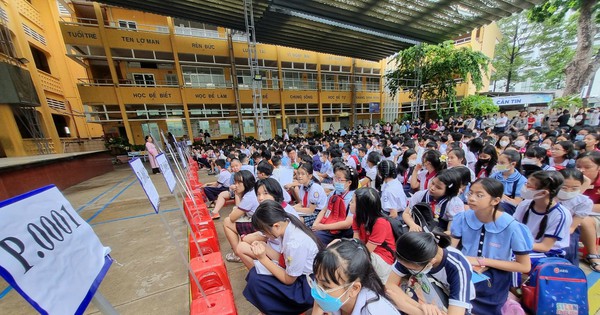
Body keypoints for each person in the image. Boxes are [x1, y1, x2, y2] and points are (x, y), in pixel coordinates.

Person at [451, 178, 533, 314]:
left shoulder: (512, 226)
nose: (471, 198)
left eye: (479, 195)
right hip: (465, 267)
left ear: (495, 200)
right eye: (470, 193)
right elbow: (452, 249)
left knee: (469, 299)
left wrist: (481, 261)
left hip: (496, 273)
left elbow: (524, 266)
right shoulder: (463, 218)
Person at [243, 200, 322, 315]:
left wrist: (262, 258)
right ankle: (268, 310)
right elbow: (284, 260)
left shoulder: (295, 243)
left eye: (264, 232)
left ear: (276, 226)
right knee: (255, 274)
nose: (264, 235)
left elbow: (288, 280)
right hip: (301, 277)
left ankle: (275, 310)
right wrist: (264, 247)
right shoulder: (288, 224)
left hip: (307, 287)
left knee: (257, 281)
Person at [385, 231, 474, 315]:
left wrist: (404, 306)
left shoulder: (458, 267)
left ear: (431, 262)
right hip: (427, 296)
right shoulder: (409, 252)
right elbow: (390, 285)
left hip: (453, 303)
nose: (404, 267)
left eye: (410, 268)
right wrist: (420, 306)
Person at [310, 238, 400, 315]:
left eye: (325, 286)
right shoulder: (339, 297)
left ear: (354, 288)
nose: (316, 290)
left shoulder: (373, 311)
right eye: (316, 280)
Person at [513, 171, 572, 264]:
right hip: (524, 246)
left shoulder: (561, 214)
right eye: (526, 184)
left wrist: (516, 244)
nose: (524, 188)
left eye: (529, 186)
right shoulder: (525, 204)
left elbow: (545, 247)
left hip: (549, 253)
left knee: (512, 258)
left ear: (543, 192)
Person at [351, 187, 397, 283]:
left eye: (352, 202)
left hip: (382, 257)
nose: (349, 203)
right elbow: (356, 240)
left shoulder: (380, 223)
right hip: (366, 250)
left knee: (351, 262)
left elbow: (367, 251)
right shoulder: (357, 217)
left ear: (362, 207)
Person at [403, 169, 464, 233]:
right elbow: (406, 213)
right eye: (432, 183)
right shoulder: (420, 195)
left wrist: (443, 235)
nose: (432, 188)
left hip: (440, 232)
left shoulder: (454, 203)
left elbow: (453, 228)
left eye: (438, 187)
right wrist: (412, 225)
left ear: (449, 191)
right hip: (419, 228)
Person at [558, 168, 596, 268]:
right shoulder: (547, 195)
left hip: (566, 231)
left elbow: (571, 228)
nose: (568, 191)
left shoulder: (583, 202)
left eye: (574, 188)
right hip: (541, 227)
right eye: (564, 187)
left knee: (566, 249)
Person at [312, 164, 357, 244]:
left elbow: (347, 223)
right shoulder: (333, 193)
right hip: (328, 225)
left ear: (349, 182)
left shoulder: (353, 198)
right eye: (335, 178)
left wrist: (323, 227)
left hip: (343, 232)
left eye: (339, 179)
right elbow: (324, 210)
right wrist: (316, 224)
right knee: (311, 235)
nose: (336, 181)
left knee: (317, 239)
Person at [222, 170, 260, 262]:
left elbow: (233, 217)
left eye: (239, 182)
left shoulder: (248, 197)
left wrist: (236, 195)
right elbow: (239, 209)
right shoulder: (252, 191)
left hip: (259, 227)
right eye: (235, 182)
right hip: (260, 221)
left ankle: (237, 255)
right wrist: (238, 195)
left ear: (247, 182)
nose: (236, 185)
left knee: (227, 221)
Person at [575, 151, 600, 271]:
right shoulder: (571, 178)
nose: (582, 171)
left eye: (587, 167)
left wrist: (582, 207)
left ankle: (592, 255)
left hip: (595, 215)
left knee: (583, 220)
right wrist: (584, 184)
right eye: (578, 167)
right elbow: (569, 200)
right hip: (576, 211)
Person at [489, 150, 527, 215]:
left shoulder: (521, 180)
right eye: (498, 162)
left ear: (513, 164)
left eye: (502, 163)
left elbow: (517, 202)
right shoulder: (495, 175)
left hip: (508, 209)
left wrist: (502, 198)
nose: (498, 165)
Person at [292, 162, 328, 228]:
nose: (299, 176)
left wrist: (295, 209)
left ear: (310, 176)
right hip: (306, 210)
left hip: (317, 213)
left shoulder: (314, 189)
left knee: (296, 221)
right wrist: (292, 208)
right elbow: (301, 203)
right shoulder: (303, 186)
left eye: (303, 174)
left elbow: (310, 210)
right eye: (298, 173)